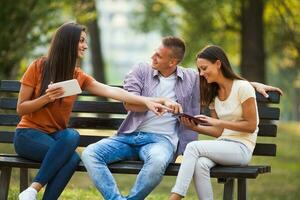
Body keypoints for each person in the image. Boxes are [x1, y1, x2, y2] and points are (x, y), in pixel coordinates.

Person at [81, 37, 282, 200]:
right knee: (90, 153)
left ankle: (171, 196)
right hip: (129, 135)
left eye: (158, 55)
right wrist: (158, 101)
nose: (152, 57)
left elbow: (224, 78)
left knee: (159, 162)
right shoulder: (141, 70)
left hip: (162, 141)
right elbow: (129, 103)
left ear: (173, 61)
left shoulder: (191, 78)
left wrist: (255, 85)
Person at [14, 22, 173, 200]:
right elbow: (21, 109)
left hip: (57, 138)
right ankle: (33, 190)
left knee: (71, 137)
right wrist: (46, 98)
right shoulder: (38, 67)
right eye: (81, 41)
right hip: (27, 136)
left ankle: (32, 192)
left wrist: (149, 101)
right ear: (68, 42)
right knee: (70, 157)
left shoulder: (78, 76)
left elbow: (114, 91)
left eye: (85, 41)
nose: (86, 45)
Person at [169, 45, 282, 200]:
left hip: (242, 148)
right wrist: (196, 127)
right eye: (199, 70)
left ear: (218, 63)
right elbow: (218, 132)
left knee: (192, 147)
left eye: (204, 68)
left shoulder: (243, 88)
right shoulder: (213, 94)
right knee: (200, 164)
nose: (201, 73)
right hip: (224, 144)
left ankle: (175, 196)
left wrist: (219, 123)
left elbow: (251, 125)